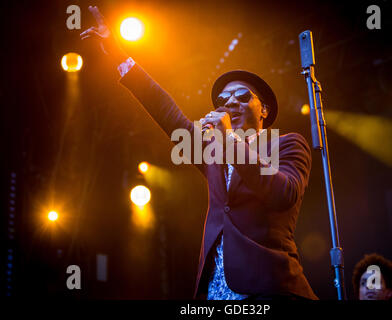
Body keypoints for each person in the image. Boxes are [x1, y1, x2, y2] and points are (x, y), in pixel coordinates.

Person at [81, 6, 317, 300]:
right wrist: (118, 56)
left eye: (243, 96)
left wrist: (229, 137)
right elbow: (166, 112)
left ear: (264, 110)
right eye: (223, 99)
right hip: (215, 290)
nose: (231, 102)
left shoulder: (287, 143)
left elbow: (284, 193)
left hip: (269, 286)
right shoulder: (213, 154)